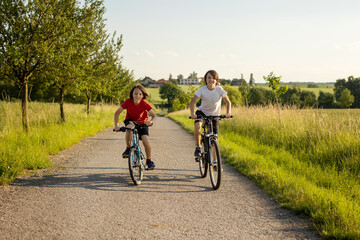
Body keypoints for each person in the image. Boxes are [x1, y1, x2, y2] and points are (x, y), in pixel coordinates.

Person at [114, 84, 157, 170]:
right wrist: (116, 126)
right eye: (135, 93)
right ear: (132, 94)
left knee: (146, 141)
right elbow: (117, 113)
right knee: (129, 128)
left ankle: (149, 160)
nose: (138, 96)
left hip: (143, 123)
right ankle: (128, 148)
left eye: (140, 94)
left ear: (143, 95)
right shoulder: (128, 102)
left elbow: (154, 116)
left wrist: (151, 122)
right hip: (130, 120)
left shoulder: (144, 103)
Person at [189, 70, 231, 157]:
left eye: (213, 78)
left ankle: (215, 161)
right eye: (209, 78)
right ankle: (198, 147)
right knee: (197, 126)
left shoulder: (220, 90)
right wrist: (193, 113)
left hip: (214, 115)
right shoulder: (202, 90)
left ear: (216, 80)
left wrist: (228, 113)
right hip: (202, 113)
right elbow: (192, 102)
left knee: (215, 138)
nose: (211, 80)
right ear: (205, 80)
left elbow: (228, 102)